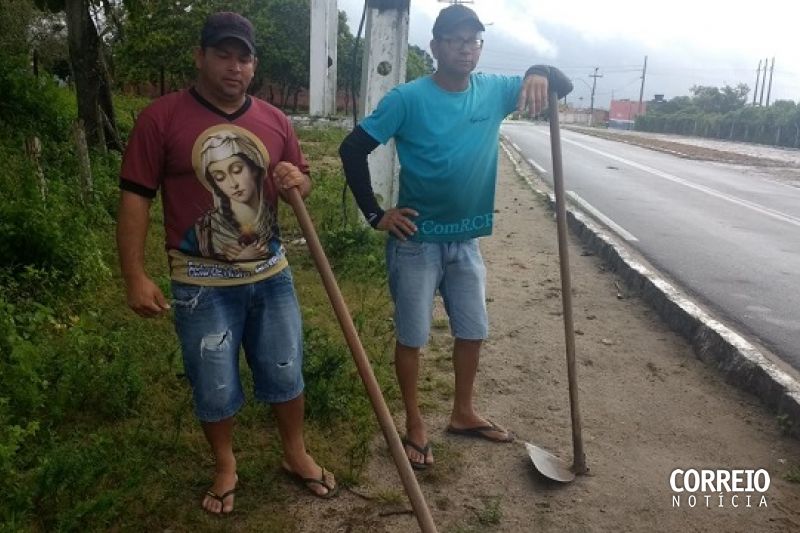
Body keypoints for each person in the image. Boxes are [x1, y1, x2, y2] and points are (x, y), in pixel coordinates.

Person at [117, 12, 336, 515]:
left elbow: (301, 179)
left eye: (244, 57)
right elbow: (135, 198)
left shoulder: (275, 121)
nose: (234, 67)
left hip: (271, 275)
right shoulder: (162, 118)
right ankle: (225, 465)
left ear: (254, 65)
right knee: (213, 381)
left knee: (286, 370)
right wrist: (134, 274)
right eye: (223, 55)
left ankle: (295, 453)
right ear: (200, 57)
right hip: (200, 284)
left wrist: (297, 181)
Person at [339, 4, 572, 471]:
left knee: (473, 330)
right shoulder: (408, 98)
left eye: (474, 40)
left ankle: (463, 413)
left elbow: (562, 86)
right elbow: (353, 148)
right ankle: (414, 421)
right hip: (416, 242)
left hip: (466, 242)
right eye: (456, 40)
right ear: (436, 47)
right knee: (413, 336)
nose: (467, 48)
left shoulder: (494, 92)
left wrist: (537, 71)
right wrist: (375, 214)